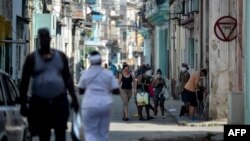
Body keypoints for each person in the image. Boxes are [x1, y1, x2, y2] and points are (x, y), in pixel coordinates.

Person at [19, 28, 79, 141]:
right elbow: (24, 81)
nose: (44, 40)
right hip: (40, 103)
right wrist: (23, 103)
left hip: (59, 101)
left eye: (46, 37)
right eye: (41, 37)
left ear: (50, 39)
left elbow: (67, 78)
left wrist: (74, 98)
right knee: (44, 134)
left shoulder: (60, 57)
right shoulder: (32, 58)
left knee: (60, 133)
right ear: (39, 40)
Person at [78, 51, 120, 141]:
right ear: (101, 61)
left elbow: (80, 90)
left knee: (90, 132)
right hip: (105, 104)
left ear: (90, 62)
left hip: (89, 104)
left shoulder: (85, 74)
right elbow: (116, 90)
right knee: (103, 133)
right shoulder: (108, 73)